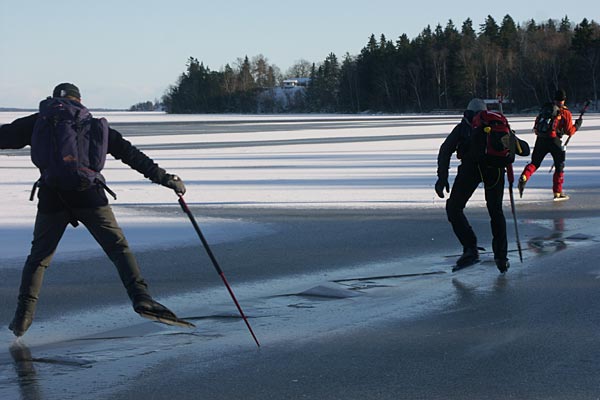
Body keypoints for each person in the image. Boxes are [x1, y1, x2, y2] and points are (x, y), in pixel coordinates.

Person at [0, 83, 188, 337]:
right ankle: (141, 298)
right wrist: (166, 179)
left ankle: (23, 317)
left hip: (52, 196)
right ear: (80, 100)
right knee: (118, 249)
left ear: (54, 99)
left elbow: (4, 136)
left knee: (39, 258)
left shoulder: (39, 121)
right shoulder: (92, 123)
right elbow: (132, 155)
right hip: (89, 195)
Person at [435, 99, 530, 273]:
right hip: (496, 171)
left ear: (468, 113)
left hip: (471, 169)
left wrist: (442, 178)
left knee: (454, 208)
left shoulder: (464, 126)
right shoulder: (498, 125)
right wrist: (510, 137)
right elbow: (525, 150)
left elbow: (446, 150)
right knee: (496, 212)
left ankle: (470, 248)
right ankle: (501, 257)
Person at [518, 89, 583, 201]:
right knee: (559, 166)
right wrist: (577, 125)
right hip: (554, 141)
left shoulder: (546, 109)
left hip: (541, 139)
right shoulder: (565, 112)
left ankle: (524, 176)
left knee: (535, 163)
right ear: (564, 100)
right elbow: (569, 131)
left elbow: (537, 124)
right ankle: (557, 192)